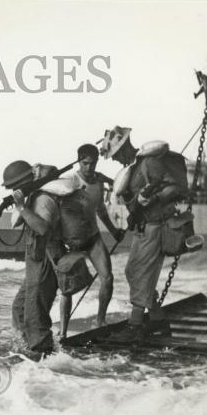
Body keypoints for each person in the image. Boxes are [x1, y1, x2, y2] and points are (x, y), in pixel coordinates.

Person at [100, 129, 188, 342]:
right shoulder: (131, 169)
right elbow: (135, 201)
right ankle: (158, 319)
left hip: (156, 225)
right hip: (142, 226)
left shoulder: (148, 163)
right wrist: (136, 206)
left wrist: (154, 197)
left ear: (126, 148)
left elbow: (176, 187)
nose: (116, 159)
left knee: (141, 274)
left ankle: (135, 326)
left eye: (118, 154)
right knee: (133, 271)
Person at [57, 143, 126, 333]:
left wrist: (114, 232)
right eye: (85, 163)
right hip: (72, 243)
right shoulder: (68, 181)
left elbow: (101, 211)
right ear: (79, 161)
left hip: (93, 238)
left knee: (108, 278)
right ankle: (62, 332)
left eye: (93, 164)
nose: (89, 168)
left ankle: (100, 321)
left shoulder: (98, 183)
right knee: (67, 289)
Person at [6, 160, 64, 359]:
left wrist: (22, 208)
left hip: (45, 262)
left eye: (15, 186)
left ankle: (42, 356)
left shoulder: (42, 199)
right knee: (20, 309)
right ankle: (29, 348)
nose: (13, 190)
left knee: (35, 317)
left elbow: (42, 229)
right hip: (35, 264)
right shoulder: (32, 198)